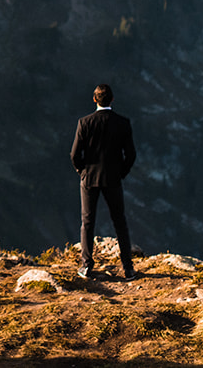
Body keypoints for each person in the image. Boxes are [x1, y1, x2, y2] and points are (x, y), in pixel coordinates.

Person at [70, 82, 136, 281]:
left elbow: (74, 154)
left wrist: (82, 171)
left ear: (94, 99)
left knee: (87, 222)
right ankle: (128, 268)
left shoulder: (85, 122)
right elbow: (131, 155)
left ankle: (86, 265)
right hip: (113, 178)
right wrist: (120, 173)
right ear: (112, 100)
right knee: (120, 223)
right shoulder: (123, 123)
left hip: (89, 178)